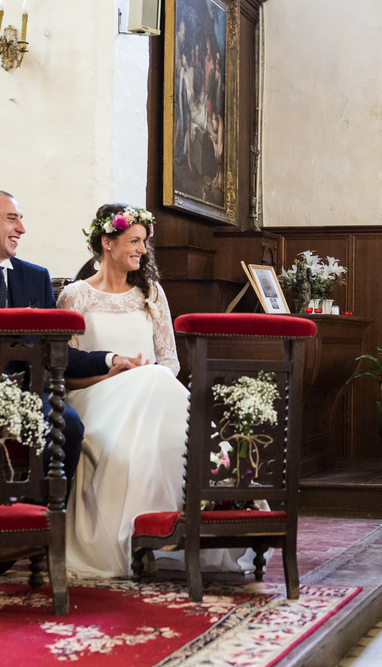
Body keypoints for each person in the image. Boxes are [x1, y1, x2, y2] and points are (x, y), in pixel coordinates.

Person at [0, 189, 141, 586]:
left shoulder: (35, 279)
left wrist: (108, 360)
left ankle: (27, 536)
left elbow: (56, 351)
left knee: (68, 426)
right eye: (13, 218)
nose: (22, 228)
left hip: (20, 393)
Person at [58, 203, 258, 578]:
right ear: (107, 242)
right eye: (134, 241)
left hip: (148, 393)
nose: (142, 250)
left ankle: (181, 524)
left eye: (144, 242)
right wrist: (117, 376)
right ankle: (126, 539)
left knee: (156, 383)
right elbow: (65, 371)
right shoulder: (75, 297)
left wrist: (141, 376)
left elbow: (170, 363)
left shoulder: (151, 294)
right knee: (151, 383)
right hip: (94, 397)